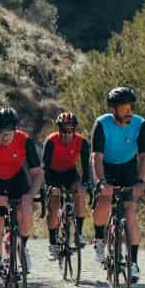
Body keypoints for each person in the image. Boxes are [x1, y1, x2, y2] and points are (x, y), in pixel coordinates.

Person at [0, 106, 42, 288]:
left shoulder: (25, 140)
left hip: (16, 181)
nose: (4, 138)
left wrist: (30, 194)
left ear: (15, 130)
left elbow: (37, 173)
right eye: (0, 134)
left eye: (8, 134)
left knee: (26, 212)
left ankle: (21, 246)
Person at [91, 85, 145, 281]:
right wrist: (101, 182)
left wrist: (141, 182)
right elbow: (96, 157)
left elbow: (144, 157)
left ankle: (133, 263)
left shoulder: (141, 124)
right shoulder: (101, 123)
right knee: (105, 199)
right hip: (106, 167)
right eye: (124, 109)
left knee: (130, 211)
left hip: (128, 168)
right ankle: (100, 238)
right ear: (113, 110)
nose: (129, 112)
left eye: (131, 107)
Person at [41, 111, 90, 260]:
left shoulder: (81, 142)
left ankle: (79, 234)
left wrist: (86, 183)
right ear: (59, 129)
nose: (67, 134)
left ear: (74, 130)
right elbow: (44, 166)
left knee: (79, 192)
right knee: (54, 203)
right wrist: (50, 186)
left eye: (70, 130)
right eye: (63, 130)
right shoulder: (51, 141)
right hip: (53, 174)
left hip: (70, 173)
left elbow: (86, 165)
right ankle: (53, 243)